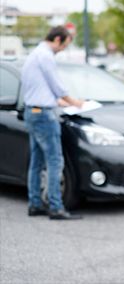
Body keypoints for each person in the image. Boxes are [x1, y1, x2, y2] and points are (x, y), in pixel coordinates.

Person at [22, 26, 84, 220]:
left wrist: (59, 101)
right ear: (57, 39)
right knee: (55, 161)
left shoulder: (33, 55)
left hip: (32, 111)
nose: (63, 50)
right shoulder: (46, 56)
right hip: (43, 115)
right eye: (64, 45)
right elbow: (56, 86)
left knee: (37, 162)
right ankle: (56, 207)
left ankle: (35, 204)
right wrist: (75, 102)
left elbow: (39, 89)